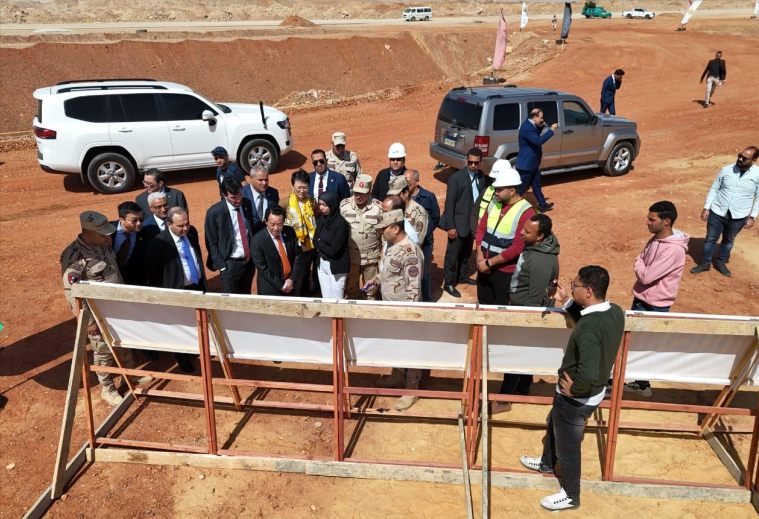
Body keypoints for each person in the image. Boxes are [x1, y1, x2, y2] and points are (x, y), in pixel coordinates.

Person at [520, 266, 624, 511]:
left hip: (576, 398)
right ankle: (547, 462)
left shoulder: (588, 329)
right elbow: (589, 320)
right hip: (592, 393)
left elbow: (587, 369)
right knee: (554, 422)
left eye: (575, 285)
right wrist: (566, 301)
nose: (572, 286)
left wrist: (575, 390)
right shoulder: (615, 311)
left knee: (568, 447)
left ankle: (570, 495)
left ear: (588, 291)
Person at [61, 211, 151, 406]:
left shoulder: (104, 243)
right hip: (98, 313)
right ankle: (107, 388)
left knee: (124, 341)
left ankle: (130, 375)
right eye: (102, 234)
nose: (107, 236)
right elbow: (73, 293)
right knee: (103, 351)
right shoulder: (73, 257)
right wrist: (89, 321)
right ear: (88, 234)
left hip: (119, 306)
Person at [619, 201, 689, 398]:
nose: (647, 222)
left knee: (645, 346)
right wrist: (641, 265)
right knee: (633, 343)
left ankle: (641, 385)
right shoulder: (656, 239)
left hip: (656, 305)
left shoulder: (673, 250)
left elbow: (646, 276)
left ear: (666, 221)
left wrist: (640, 266)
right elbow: (640, 259)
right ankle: (640, 384)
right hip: (641, 299)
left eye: (652, 219)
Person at [493, 213, 560, 413]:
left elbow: (534, 301)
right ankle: (523, 389)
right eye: (523, 228)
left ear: (540, 236)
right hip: (520, 307)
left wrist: (524, 324)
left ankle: (503, 400)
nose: (521, 233)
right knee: (525, 354)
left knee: (516, 355)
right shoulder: (535, 248)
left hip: (527, 315)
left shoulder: (541, 261)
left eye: (527, 232)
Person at [363, 209, 424, 411]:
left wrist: (409, 316)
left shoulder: (411, 253)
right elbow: (388, 271)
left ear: (395, 228)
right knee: (395, 344)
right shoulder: (391, 245)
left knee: (411, 348)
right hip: (390, 307)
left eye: (384, 229)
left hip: (405, 311)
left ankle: (412, 389)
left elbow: (414, 289)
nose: (381, 232)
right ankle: (398, 375)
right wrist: (376, 280)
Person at [144, 207, 206, 373]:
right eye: (180, 226)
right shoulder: (158, 243)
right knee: (179, 325)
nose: (185, 228)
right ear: (169, 224)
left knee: (197, 320)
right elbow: (152, 273)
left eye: (187, 223)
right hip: (176, 291)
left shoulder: (191, 233)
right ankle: (182, 356)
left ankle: (197, 347)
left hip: (196, 286)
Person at [475, 160, 536, 306]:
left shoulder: (526, 212)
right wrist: (480, 257)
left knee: (501, 308)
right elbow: (481, 229)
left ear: (512, 191)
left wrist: (489, 263)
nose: (495, 192)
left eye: (499, 190)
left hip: (505, 272)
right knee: (483, 304)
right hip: (483, 267)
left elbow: (517, 247)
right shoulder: (494, 203)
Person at [691, 147, 758, 277]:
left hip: (739, 215)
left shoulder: (757, 174)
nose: (740, 159)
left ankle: (720, 262)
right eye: (740, 155)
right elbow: (714, 188)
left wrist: (753, 217)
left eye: (745, 158)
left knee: (728, 240)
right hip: (717, 211)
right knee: (710, 239)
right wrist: (707, 207)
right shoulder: (727, 169)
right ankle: (705, 263)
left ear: (753, 160)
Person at [440, 148, 487, 298]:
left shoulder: (481, 176)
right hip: (458, 224)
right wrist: (450, 226)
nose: (473, 165)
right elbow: (449, 204)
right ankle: (448, 283)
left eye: (476, 163)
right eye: (470, 162)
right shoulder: (456, 178)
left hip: (472, 224)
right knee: (452, 255)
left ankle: (462, 276)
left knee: (466, 253)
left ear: (480, 162)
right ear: (466, 161)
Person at [204, 177, 256, 295]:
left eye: (240, 195)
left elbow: (249, 230)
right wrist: (222, 266)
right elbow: (211, 242)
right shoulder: (214, 212)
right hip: (230, 265)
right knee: (231, 301)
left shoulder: (246, 203)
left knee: (246, 297)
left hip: (248, 262)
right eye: (233, 197)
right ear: (224, 195)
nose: (238, 200)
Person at [341, 174, 383, 300]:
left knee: (371, 292)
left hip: (370, 258)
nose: (358, 196)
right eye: (356, 192)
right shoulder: (344, 206)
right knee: (351, 290)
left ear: (369, 192)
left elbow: (384, 234)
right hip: (351, 258)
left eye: (362, 193)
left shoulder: (378, 208)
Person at [251, 205, 302, 297]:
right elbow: (263, 269)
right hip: (270, 289)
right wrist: (282, 285)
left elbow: (297, 256)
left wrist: (291, 279)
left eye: (279, 224)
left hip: (291, 285)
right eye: (272, 224)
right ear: (266, 221)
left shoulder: (290, 231)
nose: (276, 228)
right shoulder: (257, 240)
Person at [282, 169, 318, 296]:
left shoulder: (312, 202)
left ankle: (304, 295)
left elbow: (315, 218)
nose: (302, 191)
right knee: (293, 273)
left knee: (305, 274)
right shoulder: (284, 203)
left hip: (307, 245)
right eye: (299, 187)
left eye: (305, 187)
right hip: (291, 244)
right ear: (293, 186)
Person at [406, 169, 440, 302]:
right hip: (406, 244)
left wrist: (427, 231)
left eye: (408, 183)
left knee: (424, 273)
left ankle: (426, 300)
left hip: (425, 243)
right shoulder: (401, 198)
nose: (406, 185)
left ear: (417, 181)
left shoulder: (428, 197)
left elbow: (435, 217)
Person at [516, 109, 558, 213]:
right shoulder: (527, 128)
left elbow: (535, 135)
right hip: (527, 164)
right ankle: (510, 206)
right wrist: (551, 130)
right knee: (522, 188)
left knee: (536, 184)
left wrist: (540, 126)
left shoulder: (531, 124)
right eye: (541, 118)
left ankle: (542, 205)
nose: (542, 120)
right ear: (535, 117)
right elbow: (538, 141)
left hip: (532, 162)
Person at [314, 191, 350, 299]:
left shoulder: (341, 224)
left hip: (336, 267)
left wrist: (320, 244)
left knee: (336, 299)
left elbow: (333, 251)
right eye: (320, 204)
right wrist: (321, 244)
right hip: (322, 265)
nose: (321, 208)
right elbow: (315, 240)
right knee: (326, 298)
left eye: (324, 205)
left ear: (332, 204)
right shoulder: (321, 219)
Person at [111, 201, 149, 286]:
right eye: (134, 220)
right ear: (121, 219)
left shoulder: (146, 235)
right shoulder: (107, 231)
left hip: (133, 280)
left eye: (141, 219)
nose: (139, 223)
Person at [387, 176, 428, 244]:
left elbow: (418, 241)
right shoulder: (391, 209)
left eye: (397, 195)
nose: (393, 199)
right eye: (392, 195)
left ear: (406, 193)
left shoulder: (419, 213)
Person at [242, 165, 280, 235]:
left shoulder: (273, 193)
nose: (264, 183)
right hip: (250, 236)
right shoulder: (242, 194)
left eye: (266, 180)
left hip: (268, 235)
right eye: (260, 180)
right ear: (251, 178)